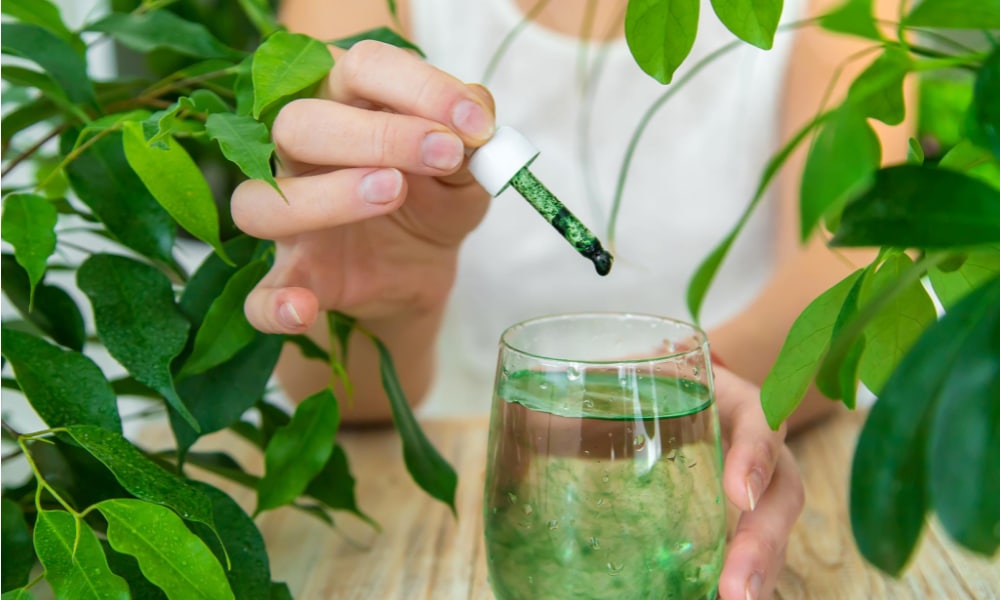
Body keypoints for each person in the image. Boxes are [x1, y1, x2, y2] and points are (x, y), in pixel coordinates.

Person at [231, 0, 909, 597]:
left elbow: (851, 263)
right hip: (464, 484)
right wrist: (384, 300)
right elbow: (350, 403)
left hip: (729, 424)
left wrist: (703, 383)